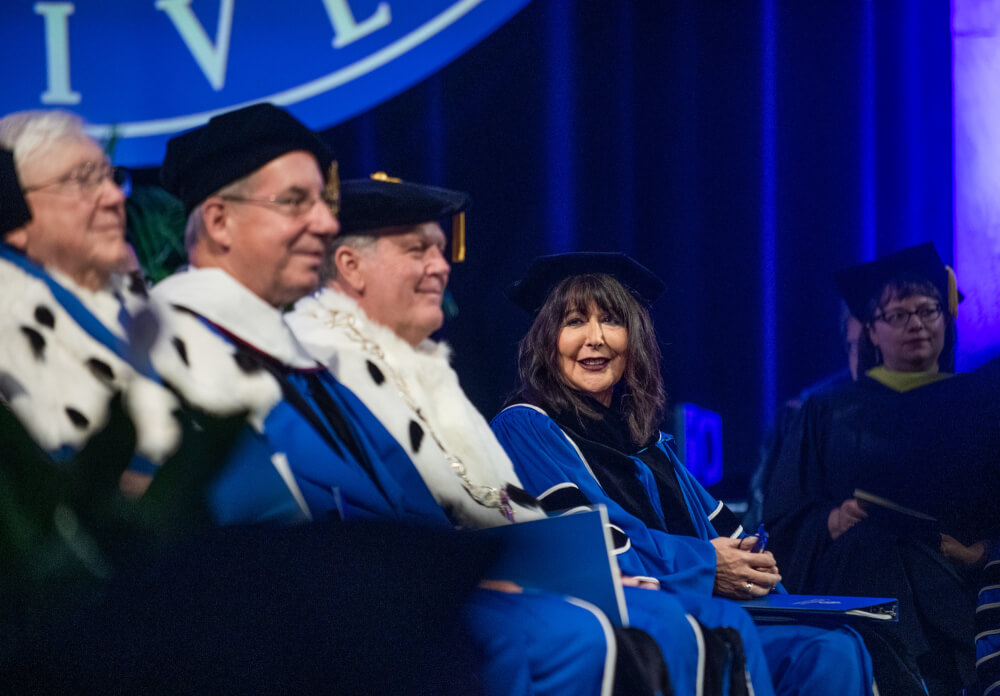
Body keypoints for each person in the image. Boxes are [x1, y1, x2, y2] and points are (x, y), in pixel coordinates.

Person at [151, 106, 623, 696]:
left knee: (575, 631)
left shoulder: (298, 360)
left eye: (323, 206)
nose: (326, 225)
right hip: (286, 633)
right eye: (297, 203)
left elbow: (406, 505)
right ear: (219, 222)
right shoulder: (175, 346)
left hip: (368, 605)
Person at [491, 252, 875, 696]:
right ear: (546, 340)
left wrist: (755, 568)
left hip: (697, 603)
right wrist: (709, 565)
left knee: (832, 648)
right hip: (622, 615)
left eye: (612, 321)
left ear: (633, 340)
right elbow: (595, 543)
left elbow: (727, 535)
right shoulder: (526, 427)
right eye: (574, 321)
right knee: (735, 639)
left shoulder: (651, 446)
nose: (595, 339)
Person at [762, 242, 999, 696]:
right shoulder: (827, 411)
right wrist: (827, 522)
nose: (917, 324)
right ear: (871, 331)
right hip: (854, 579)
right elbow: (782, 519)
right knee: (869, 552)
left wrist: (983, 551)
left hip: (954, 585)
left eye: (929, 310)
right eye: (898, 315)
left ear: (945, 318)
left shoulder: (984, 403)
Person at [0, 111, 278, 495]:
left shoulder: (154, 315)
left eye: (111, 177)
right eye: (82, 180)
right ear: (13, 211)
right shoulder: (10, 345)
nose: (116, 197)